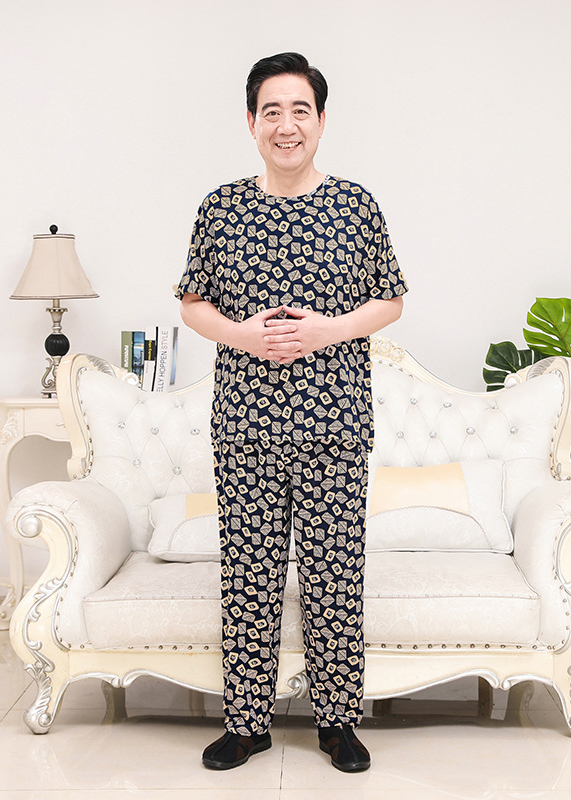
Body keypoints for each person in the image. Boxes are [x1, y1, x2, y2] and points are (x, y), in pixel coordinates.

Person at [175, 52, 407, 773]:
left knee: (334, 574)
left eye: (299, 110)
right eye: (271, 111)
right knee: (248, 574)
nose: (286, 125)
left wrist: (328, 330)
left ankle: (337, 724)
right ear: (251, 123)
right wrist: (242, 335)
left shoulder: (356, 205)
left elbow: (391, 299)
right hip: (246, 421)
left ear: (321, 121)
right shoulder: (221, 207)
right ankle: (246, 725)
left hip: (335, 420)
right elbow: (192, 303)